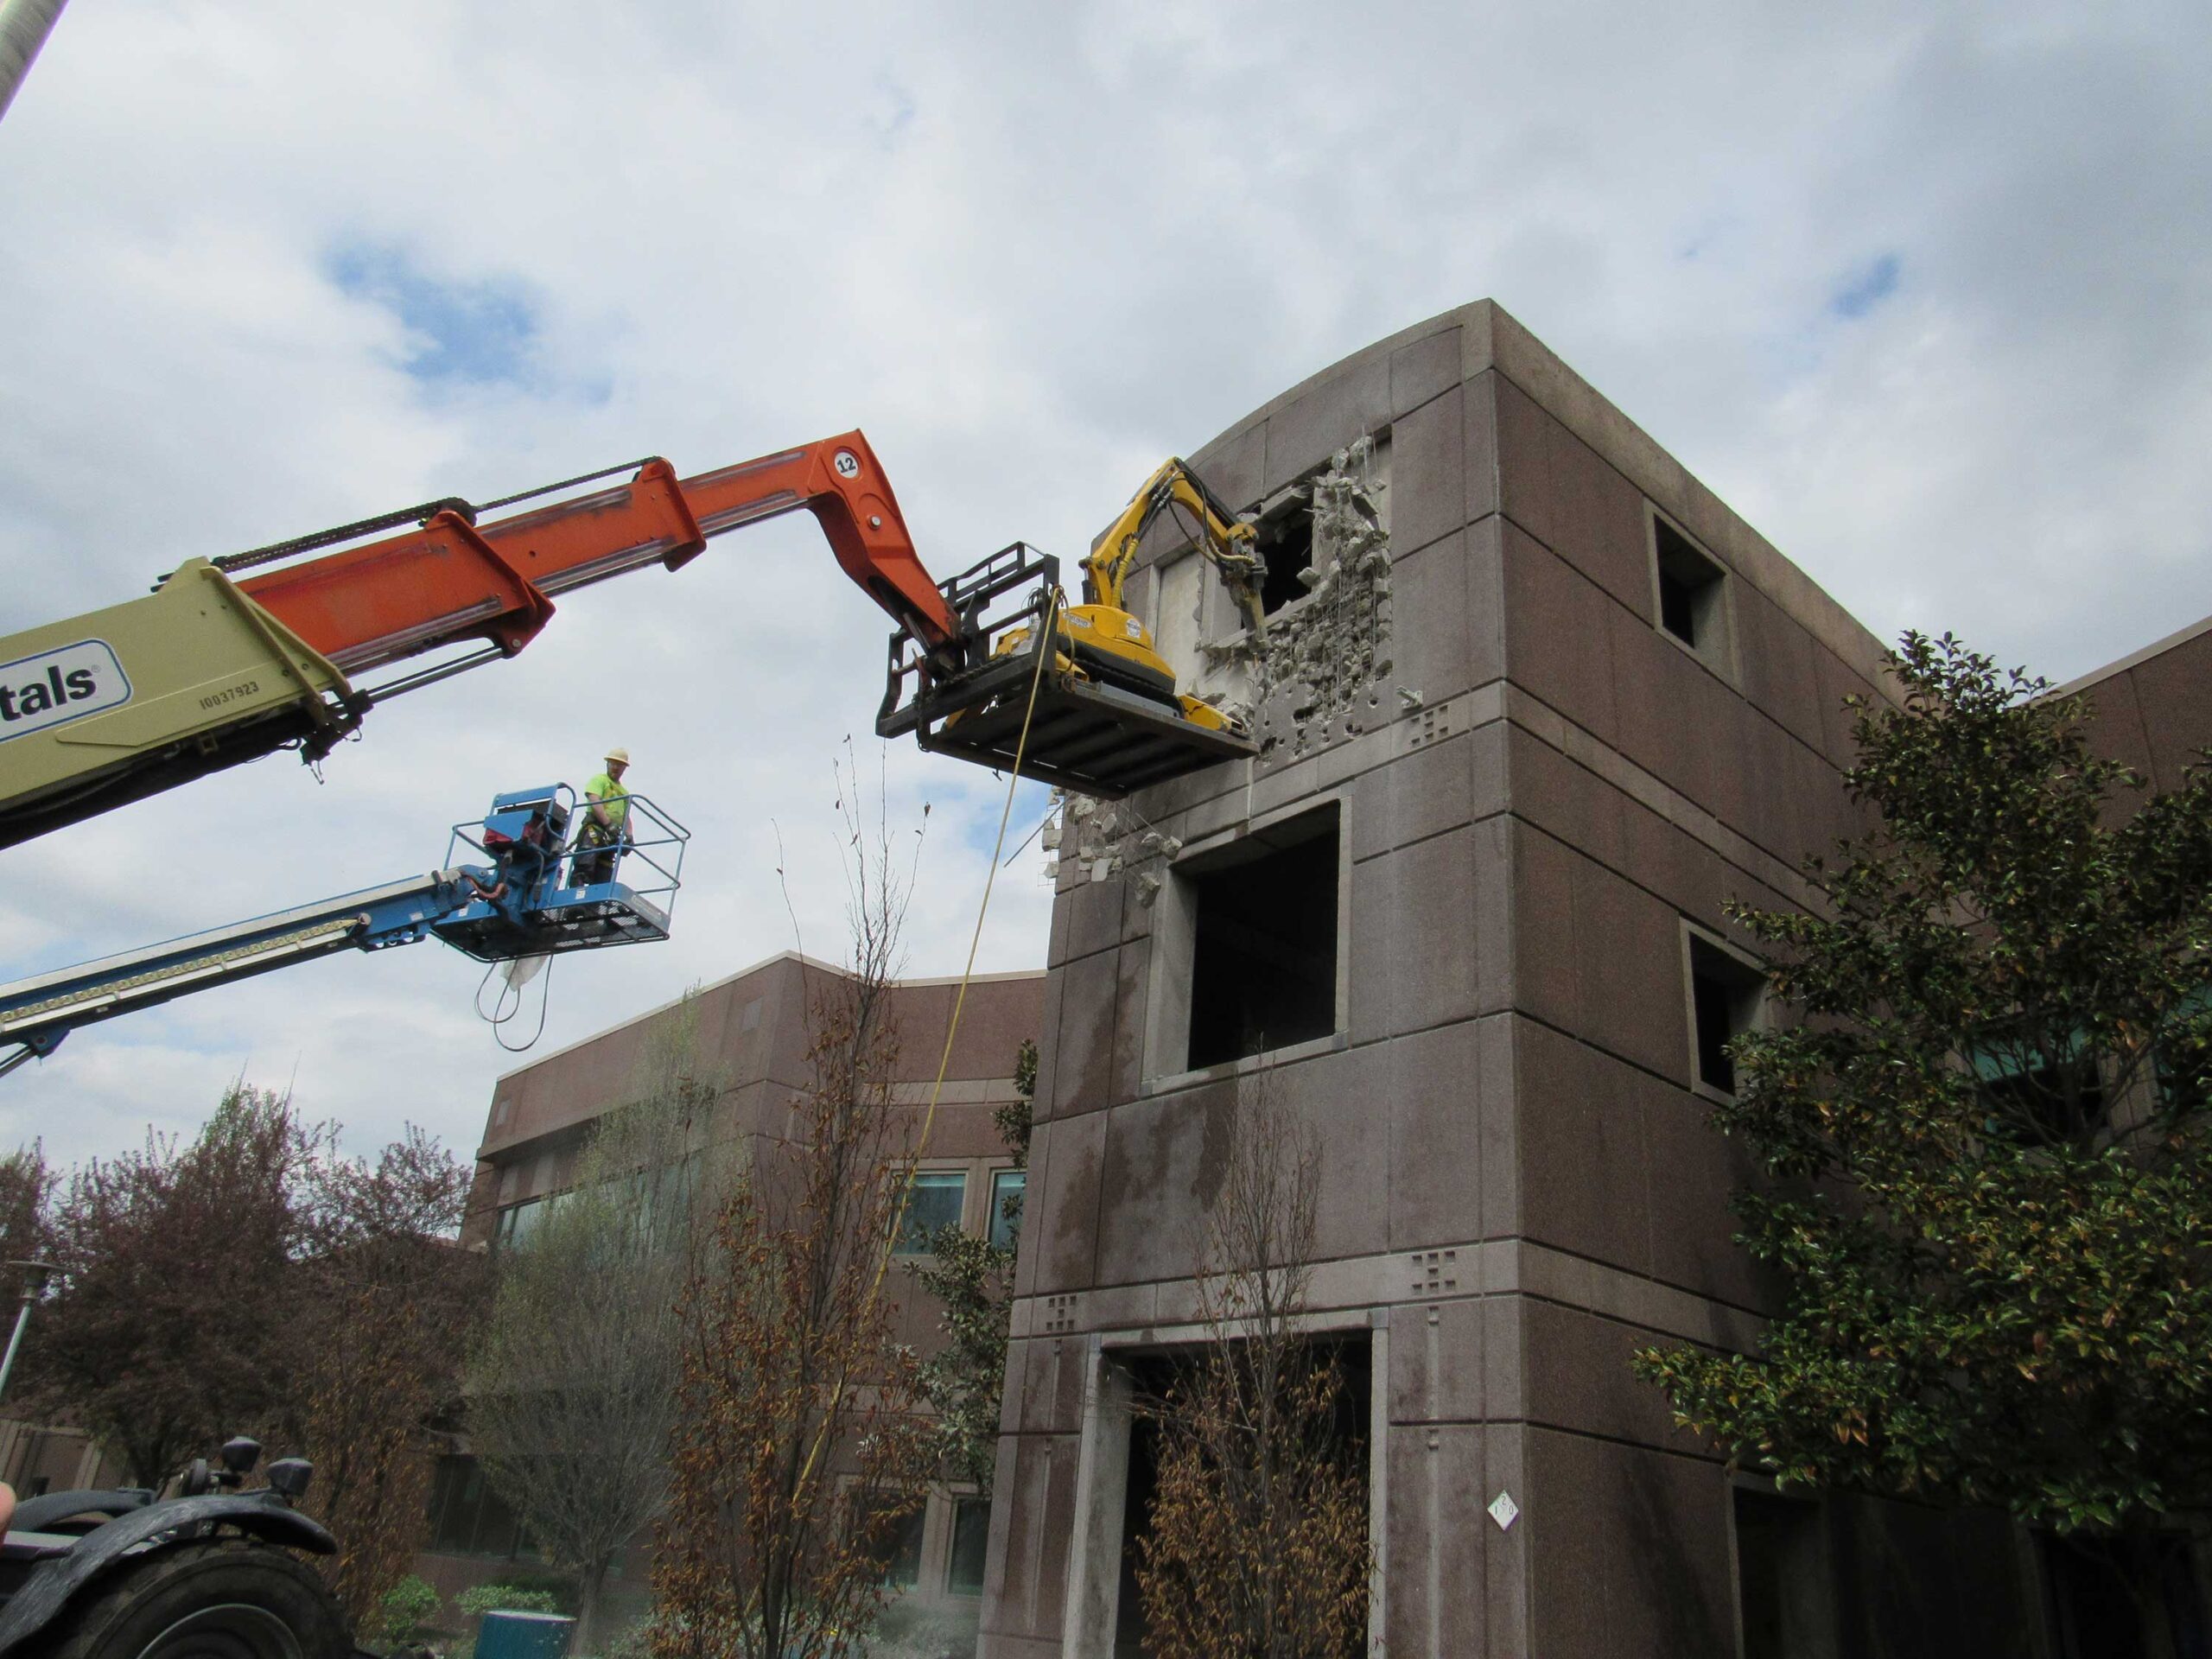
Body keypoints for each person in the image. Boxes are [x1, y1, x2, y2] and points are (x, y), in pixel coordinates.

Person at [573, 746, 633, 886]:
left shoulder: (624, 792)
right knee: (585, 862)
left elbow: (626, 816)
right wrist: (608, 824)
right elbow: (595, 801)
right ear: (607, 763)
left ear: (624, 768)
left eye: (619, 765)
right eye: (613, 764)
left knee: (604, 873)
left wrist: (629, 836)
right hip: (596, 828)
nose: (615, 767)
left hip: (610, 836)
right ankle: (577, 895)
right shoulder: (599, 780)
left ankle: (594, 906)